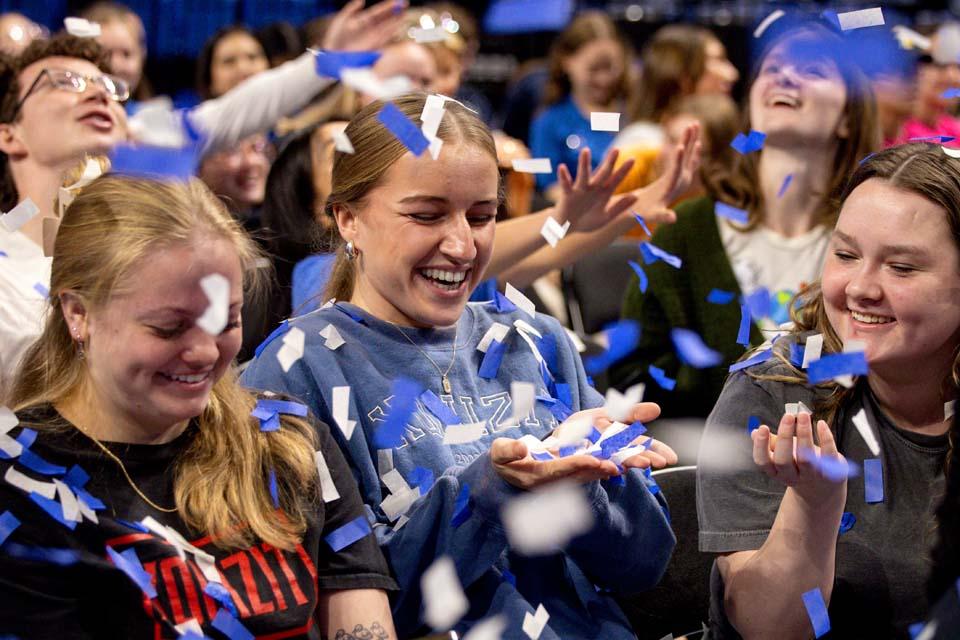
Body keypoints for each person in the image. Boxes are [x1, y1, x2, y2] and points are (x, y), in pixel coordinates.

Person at [241, 94, 679, 639]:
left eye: (482, 216)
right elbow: (350, 609)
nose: (462, 244)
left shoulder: (536, 340)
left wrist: (583, 478)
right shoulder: (290, 373)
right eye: (426, 215)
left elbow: (644, 567)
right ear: (348, 219)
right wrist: (489, 491)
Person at [0, 175, 397, 637]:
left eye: (226, 321)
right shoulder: (21, 483)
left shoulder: (288, 439)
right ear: (78, 314)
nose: (206, 353)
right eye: (170, 328)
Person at [697, 143, 959, 639]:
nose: (861, 287)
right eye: (845, 255)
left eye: (901, 268)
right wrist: (814, 506)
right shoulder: (774, 387)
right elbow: (767, 630)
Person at [611, 18, 880, 418]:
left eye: (812, 70)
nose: (785, 77)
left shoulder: (873, 237)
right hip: (704, 460)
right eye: (772, 69)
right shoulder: (684, 227)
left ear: (847, 117)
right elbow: (630, 372)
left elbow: (886, 366)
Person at [613, 24, 738, 195]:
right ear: (683, 77)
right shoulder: (643, 144)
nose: (731, 74)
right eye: (717, 60)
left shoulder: (732, 139)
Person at [529, 11, 633, 200]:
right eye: (594, 69)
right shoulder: (550, 122)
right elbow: (549, 185)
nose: (603, 79)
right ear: (567, 62)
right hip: (577, 219)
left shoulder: (634, 113)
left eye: (610, 68)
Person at [81, 1, 152, 104]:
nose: (115, 65)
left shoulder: (161, 117)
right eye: (105, 54)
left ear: (142, 56)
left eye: (126, 54)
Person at [196, 26, 270, 100]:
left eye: (252, 57)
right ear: (209, 80)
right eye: (229, 61)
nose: (243, 68)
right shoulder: (203, 111)